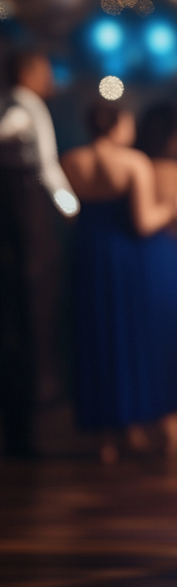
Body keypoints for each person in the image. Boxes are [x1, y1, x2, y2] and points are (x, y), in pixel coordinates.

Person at [61, 103, 177, 459]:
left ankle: (107, 438)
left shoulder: (70, 160)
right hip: (127, 260)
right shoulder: (133, 162)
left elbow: (67, 210)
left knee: (99, 340)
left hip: (89, 255)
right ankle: (141, 423)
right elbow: (144, 222)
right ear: (117, 126)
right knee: (128, 338)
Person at [0, 51, 78, 456]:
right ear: (28, 72)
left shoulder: (23, 106)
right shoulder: (24, 108)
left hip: (23, 219)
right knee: (25, 319)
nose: (50, 77)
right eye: (45, 70)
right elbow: (46, 166)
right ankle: (21, 428)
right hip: (23, 219)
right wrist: (71, 209)